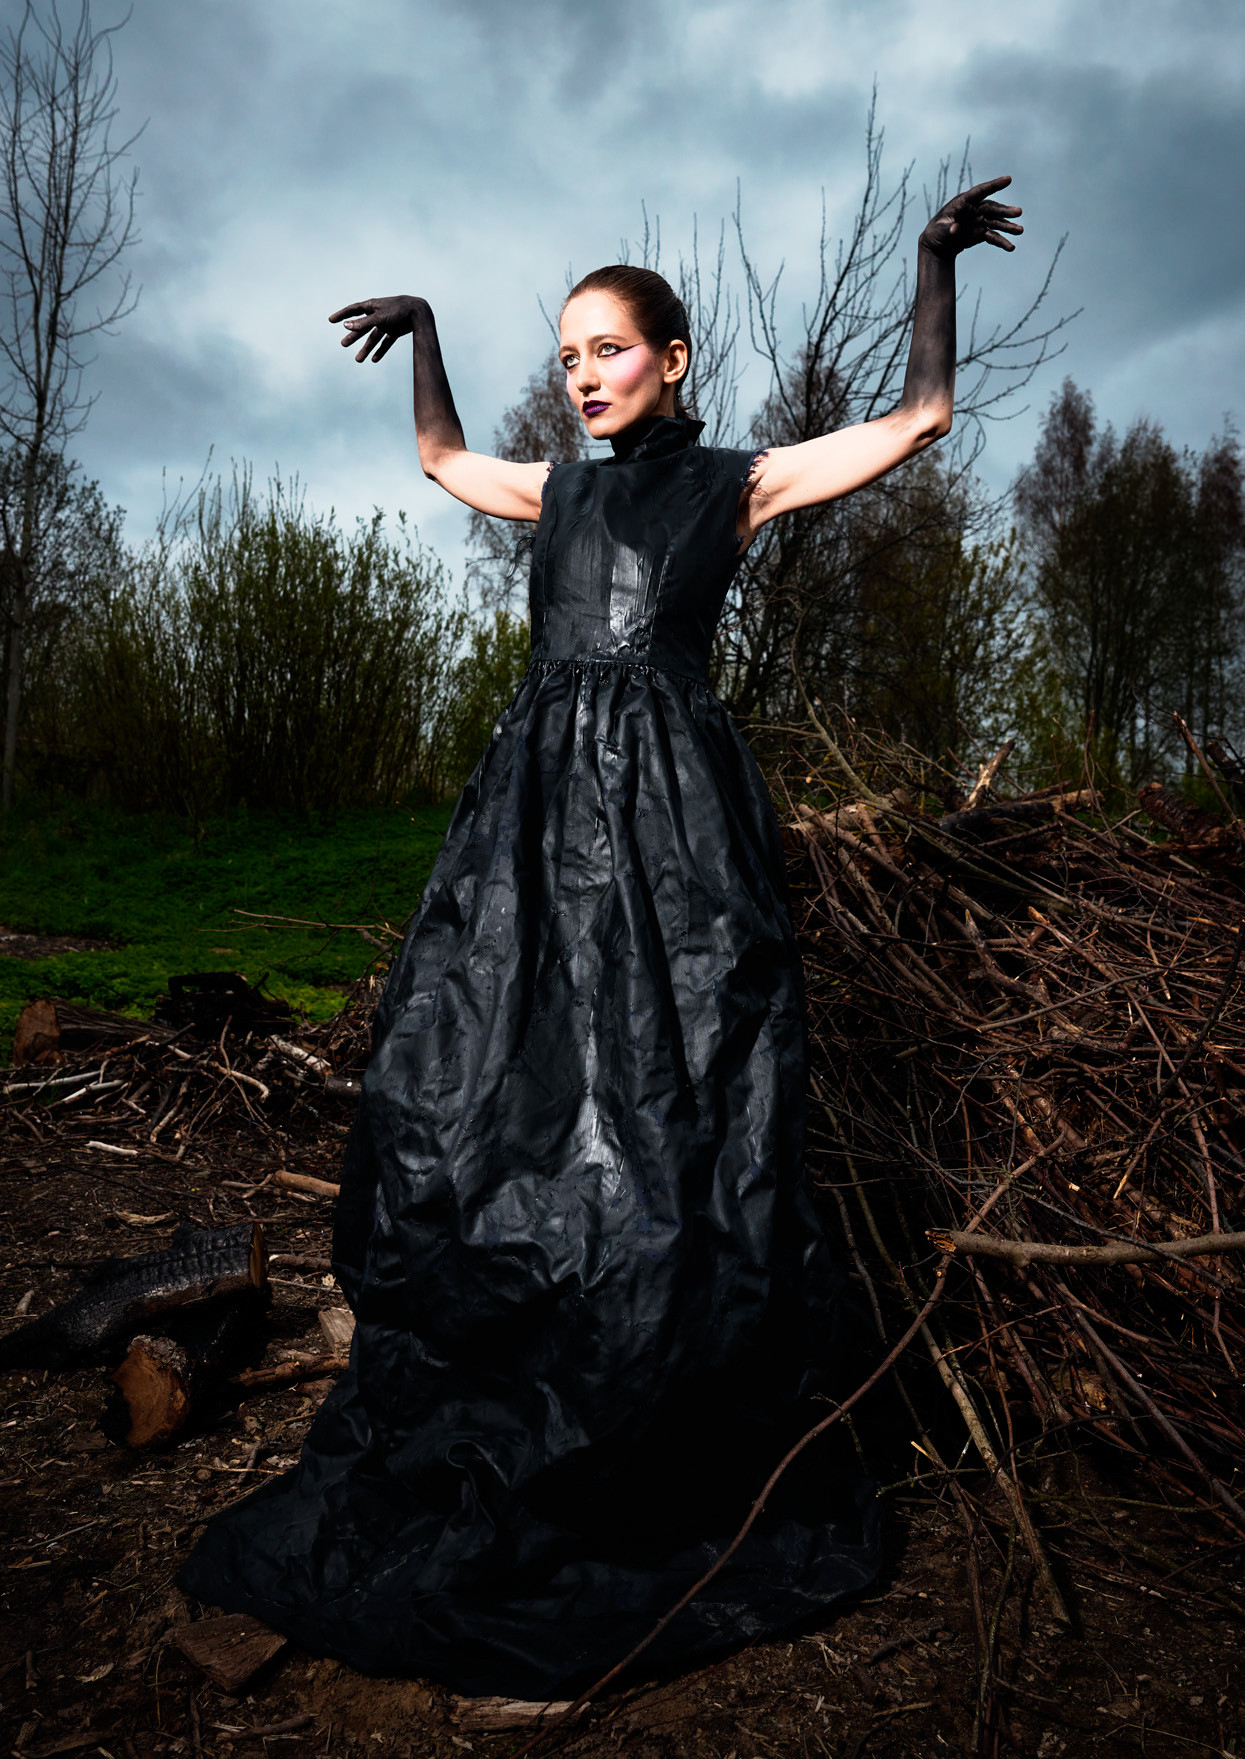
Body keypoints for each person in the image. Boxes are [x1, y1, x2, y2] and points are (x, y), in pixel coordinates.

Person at [178, 178, 1022, 1700]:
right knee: (479, 1071)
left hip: (676, 820)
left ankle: (660, 1379)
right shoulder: (559, 495)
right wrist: (429, 334)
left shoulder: (737, 484)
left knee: (680, 1082)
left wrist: (931, 263)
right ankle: (516, 1329)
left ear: (672, 359)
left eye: (608, 348)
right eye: (565, 353)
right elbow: (441, 460)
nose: (580, 373)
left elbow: (920, 422)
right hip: (533, 810)